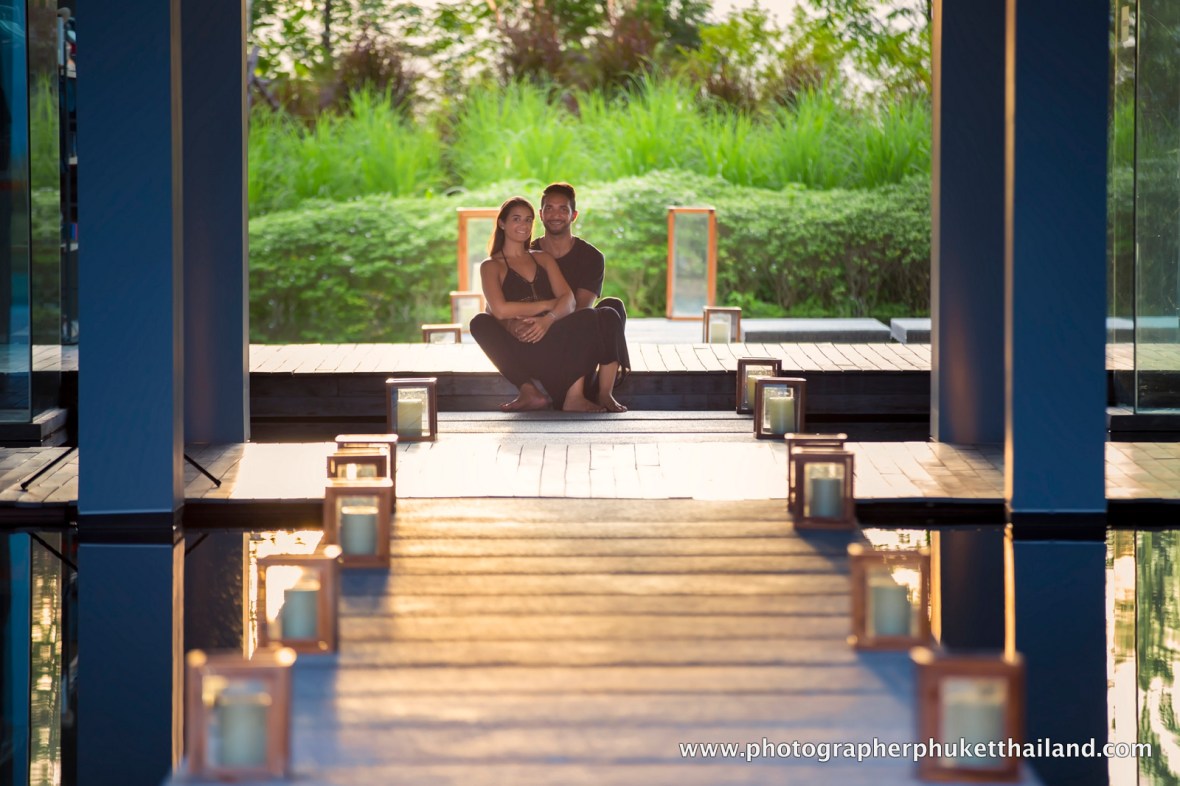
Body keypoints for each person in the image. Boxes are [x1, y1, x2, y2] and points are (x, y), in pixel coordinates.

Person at [469, 196, 627, 413]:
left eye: (528, 220)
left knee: (601, 313)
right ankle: (530, 391)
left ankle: (592, 395)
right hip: (522, 343)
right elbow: (499, 309)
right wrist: (547, 305)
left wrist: (547, 320)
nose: (523, 225)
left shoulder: (542, 258)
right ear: (502, 223)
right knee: (479, 322)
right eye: (516, 219)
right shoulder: (490, 266)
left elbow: (569, 301)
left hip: (552, 338)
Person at [529, 182, 631, 383]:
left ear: (573, 215)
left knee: (613, 306)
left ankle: (605, 386)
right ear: (541, 214)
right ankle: (586, 386)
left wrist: (552, 314)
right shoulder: (527, 253)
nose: (555, 215)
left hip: (574, 328)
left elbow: (582, 310)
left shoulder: (592, 257)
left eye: (563, 209)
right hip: (538, 331)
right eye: (549, 208)